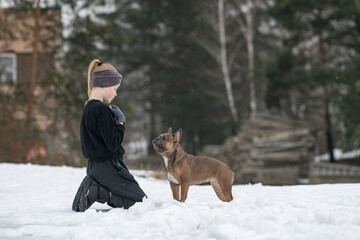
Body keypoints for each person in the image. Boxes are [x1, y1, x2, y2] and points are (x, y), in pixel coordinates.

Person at [72, 59, 147, 212]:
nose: (115, 93)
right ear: (105, 84)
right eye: (114, 88)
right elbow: (113, 144)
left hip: (94, 166)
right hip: (108, 166)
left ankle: (98, 189)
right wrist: (120, 124)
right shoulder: (101, 110)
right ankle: (98, 191)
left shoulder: (89, 108)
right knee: (141, 203)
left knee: (138, 201)